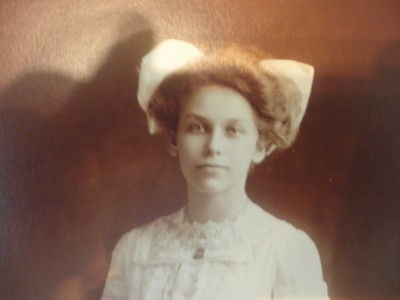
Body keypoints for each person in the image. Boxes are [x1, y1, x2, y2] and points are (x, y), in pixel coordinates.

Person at [101, 39, 329, 299]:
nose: (214, 146)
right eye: (197, 127)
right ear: (174, 139)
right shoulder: (135, 249)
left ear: (261, 146)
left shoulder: (287, 250)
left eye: (233, 130)